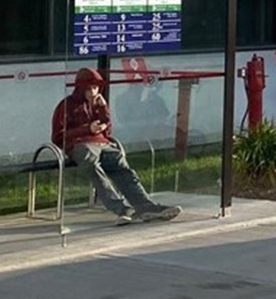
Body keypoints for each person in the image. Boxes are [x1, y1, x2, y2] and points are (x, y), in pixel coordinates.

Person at [52, 68, 181, 225]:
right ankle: (123, 209)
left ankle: (146, 207)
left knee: (122, 168)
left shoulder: (97, 104)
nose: (93, 92)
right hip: (80, 144)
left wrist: (103, 109)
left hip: (102, 143)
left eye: (95, 88)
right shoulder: (67, 105)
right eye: (88, 89)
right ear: (80, 89)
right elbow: (59, 136)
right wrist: (87, 129)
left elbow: (108, 130)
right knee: (94, 167)